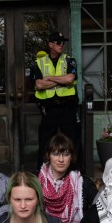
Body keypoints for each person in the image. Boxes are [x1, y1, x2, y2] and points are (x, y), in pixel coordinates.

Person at [31, 30, 79, 168]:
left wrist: (50, 78)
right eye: (58, 42)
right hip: (49, 109)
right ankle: (43, 171)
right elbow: (39, 84)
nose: (61, 45)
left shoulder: (69, 60)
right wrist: (61, 80)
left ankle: (74, 171)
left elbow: (70, 79)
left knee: (72, 140)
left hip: (67, 108)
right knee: (45, 141)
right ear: (50, 44)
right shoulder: (39, 63)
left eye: (63, 42)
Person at [38, 133, 97, 223]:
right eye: (55, 154)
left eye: (66, 154)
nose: (61, 159)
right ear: (48, 156)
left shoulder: (82, 182)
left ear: (71, 157)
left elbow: (100, 207)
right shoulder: (37, 181)